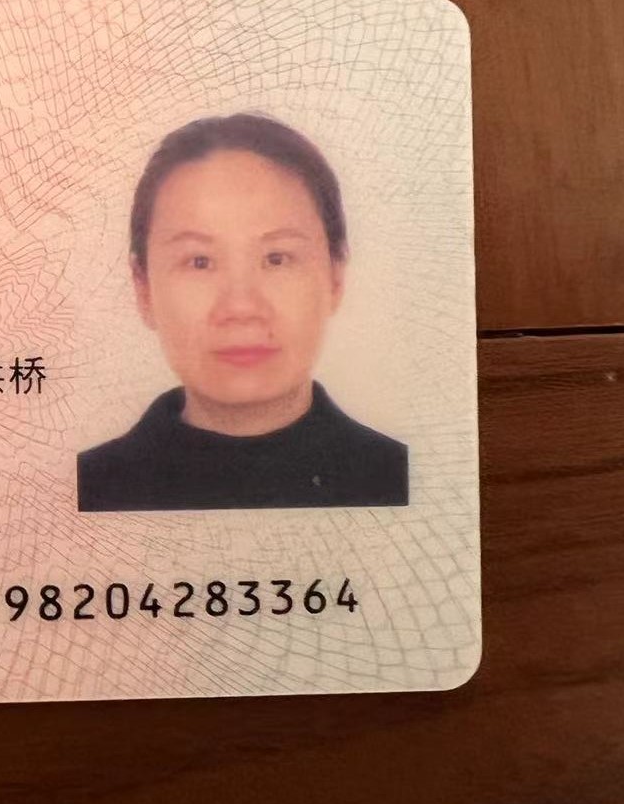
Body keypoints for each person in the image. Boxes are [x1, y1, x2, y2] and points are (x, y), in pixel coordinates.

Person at [78, 113, 407, 511]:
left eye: (277, 259)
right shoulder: (87, 488)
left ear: (335, 276)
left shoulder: (398, 478)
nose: (240, 307)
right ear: (143, 287)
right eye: (199, 262)